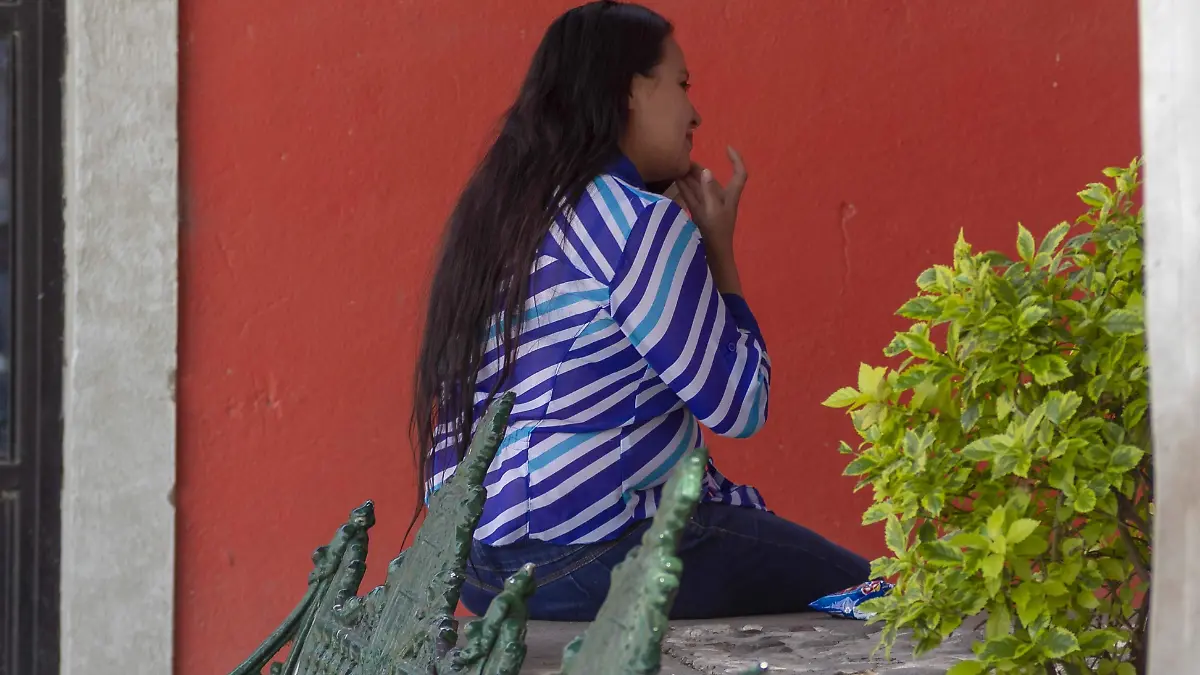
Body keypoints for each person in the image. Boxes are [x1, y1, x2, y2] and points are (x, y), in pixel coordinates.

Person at [410, 0, 870, 621]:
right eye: (681, 84)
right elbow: (740, 405)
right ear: (630, 90)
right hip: (590, 553)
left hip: (470, 566)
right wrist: (720, 251)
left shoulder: (502, 217)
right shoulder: (636, 224)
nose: (695, 112)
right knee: (874, 594)